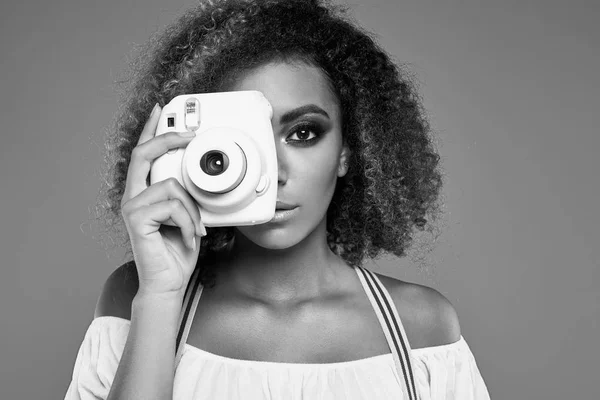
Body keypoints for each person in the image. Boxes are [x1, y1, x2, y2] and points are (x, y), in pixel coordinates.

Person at [64, 0, 490, 399]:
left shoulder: (423, 329)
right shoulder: (135, 298)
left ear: (347, 150)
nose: (273, 172)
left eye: (303, 133)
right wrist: (159, 297)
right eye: (245, 141)